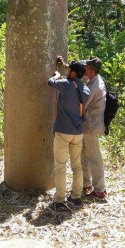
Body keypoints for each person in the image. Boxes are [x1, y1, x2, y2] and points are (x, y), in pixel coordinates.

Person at [48, 58, 90, 210]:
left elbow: (50, 82)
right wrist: (66, 67)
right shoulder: (85, 89)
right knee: (77, 166)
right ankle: (76, 197)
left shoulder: (65, 84)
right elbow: (73, 80)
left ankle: (59, 199)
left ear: (72, 72)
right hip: (77, 132)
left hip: (63, 131)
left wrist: (57, 74)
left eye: (68, 70)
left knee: (60, 166)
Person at [81, 56, 107, 199]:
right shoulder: (93, 81)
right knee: (84, 155)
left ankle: (99, 189)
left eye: (86, 68)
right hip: (87, 125)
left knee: (94, 157)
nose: (84, 70)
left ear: (91, 70)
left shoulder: (95, 86)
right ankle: (86, 184)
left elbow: (83, 103)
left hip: (91, 125)